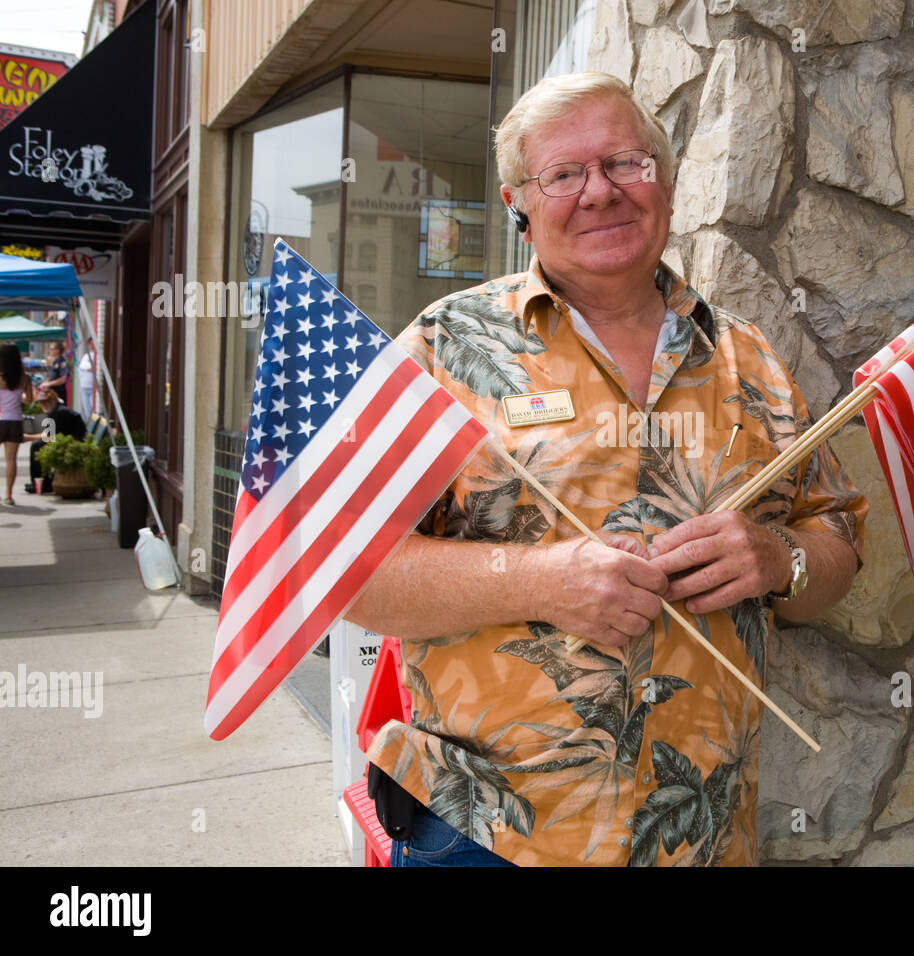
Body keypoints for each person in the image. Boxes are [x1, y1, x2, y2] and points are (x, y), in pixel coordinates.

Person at [347, 72, 868, 867]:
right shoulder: (443, 350)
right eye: (564, 174)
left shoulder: (751, 359)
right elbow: (351, 576)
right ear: (518, 203)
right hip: (490, 837)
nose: (600, 193)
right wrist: (538, 579)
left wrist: (779, 561)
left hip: (703, 835)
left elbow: (835, 537)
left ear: (663, 181)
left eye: (626, 162)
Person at [24, 387, 87, 494]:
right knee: (38, 445)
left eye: (46, 402)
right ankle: (40, 481)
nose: (44, 404)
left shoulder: (60, 412)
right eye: (41, 402)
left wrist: (27, 438)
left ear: (54, 400)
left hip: (73, 444)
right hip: (68, 441)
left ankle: (41, 483)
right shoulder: (56, 411)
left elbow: (49, 436)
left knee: (36, 447)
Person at [1, 343, 35, 506]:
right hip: (15, 421)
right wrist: (18, 398)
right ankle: (8, 495)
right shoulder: (24, 378)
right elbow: (29, 400)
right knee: (11, 460)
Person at [45, 342, 70, 406]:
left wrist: (49, 384)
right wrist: (45, 383)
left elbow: (63, 379)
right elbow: (52, 376)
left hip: (59, 392)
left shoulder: (62, 362)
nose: (50, 351)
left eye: (51, 349)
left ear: (58, 350)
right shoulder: (54, 361)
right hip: (52, 391)